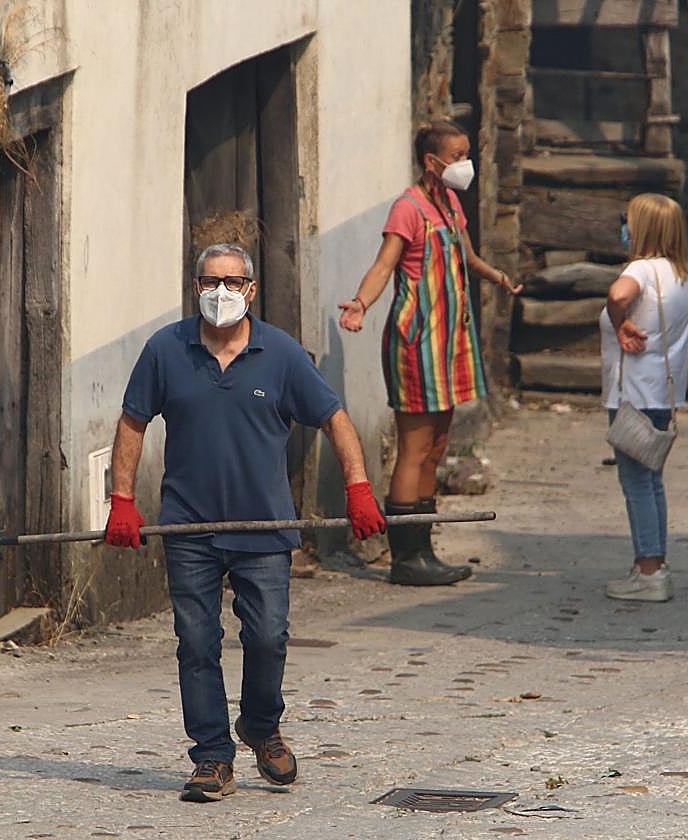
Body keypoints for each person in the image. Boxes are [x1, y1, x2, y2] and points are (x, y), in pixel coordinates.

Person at [105, 243, 387, 803]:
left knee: (267, 637)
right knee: (197, 642)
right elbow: (133, 422)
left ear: (251, 290)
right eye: (211, 282)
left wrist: (358, 487)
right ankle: (211, 756)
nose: (221, 293)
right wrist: (122, 499)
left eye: (233, 283)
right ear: (195, 287)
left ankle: (260, 725)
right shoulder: (166, 350)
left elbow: (335, 419)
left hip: (263, 529)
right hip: (190, 530)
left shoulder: (280, 354)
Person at [339, 119, 521, 586]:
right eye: (458, 156)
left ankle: (425, 549)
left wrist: (494, 276)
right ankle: (406, 557)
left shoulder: (449, 203)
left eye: (466, 155)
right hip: (416, 342)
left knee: (437, 446)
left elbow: (466, 254)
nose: (465, 164)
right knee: (414, 448)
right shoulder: (408, 208)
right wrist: (361, 304)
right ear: (431, 161)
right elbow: (385, 265)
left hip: (449, 341)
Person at [599, 193, 688, 602]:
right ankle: (654, 563)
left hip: (633, 393)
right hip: (661, 392)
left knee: (636, 481)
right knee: (652, 481)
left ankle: (649, 571)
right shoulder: (679, 275)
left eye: (630, 221)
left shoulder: (640, 269)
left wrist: (620, 325)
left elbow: (618, 295)